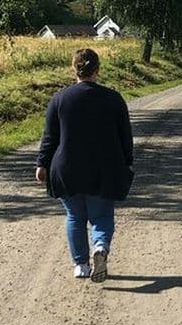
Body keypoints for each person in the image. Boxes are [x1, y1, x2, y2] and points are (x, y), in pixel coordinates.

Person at [35, 48, 134, 282]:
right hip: (104, 168)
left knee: (74, 216)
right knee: (101, 214)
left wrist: (42, 164)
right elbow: (125, 136)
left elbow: (50, 137)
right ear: (97, 70)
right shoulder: (113, 99)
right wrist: (127, 163)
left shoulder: (60, 99)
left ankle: (80, 265)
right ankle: (100, 246)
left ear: (74, 68)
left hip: (67, 168)